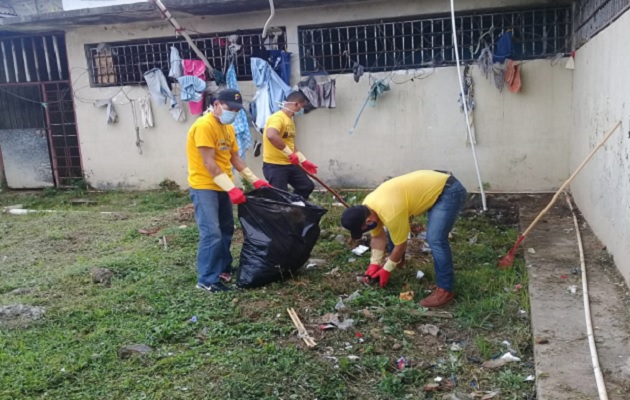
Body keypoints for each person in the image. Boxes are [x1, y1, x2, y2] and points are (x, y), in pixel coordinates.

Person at [340, 170, 467, 307]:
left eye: (364, 229)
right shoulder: (368, 207)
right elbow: (377, 236)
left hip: (449, 191)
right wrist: (374, 264)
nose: (367, 231)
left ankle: (445, 290)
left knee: (435, 239)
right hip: (432, 187)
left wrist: (387, 268)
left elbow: (401, 244)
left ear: (369, 220)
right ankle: (398, 260)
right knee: (393, 229)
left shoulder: (390, 212)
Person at [186, 89, 271, 293]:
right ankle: (206, 279)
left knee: (226, 229)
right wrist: (232, 189)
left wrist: (254, 180)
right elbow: (209, 163)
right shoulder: (204, 126)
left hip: (223, 184)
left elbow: (235, 158)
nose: (232, 113)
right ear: (216, 105)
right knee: (211, 233)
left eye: (236, 110)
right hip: (204, 186)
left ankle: (222, 268)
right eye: (229, 108)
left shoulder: (228, 128)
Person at [262, 91, 318, 200]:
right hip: (275, 165)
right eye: (302, 107)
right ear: (296, 104)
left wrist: (303, 160)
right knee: (280, 197)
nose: (302, 110)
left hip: (290, 164)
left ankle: (294, 207)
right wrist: (289, 154)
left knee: (306, 186)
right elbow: (271, 135)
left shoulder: (290, 121)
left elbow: (290, 143)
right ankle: (280, 213)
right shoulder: (277, 118)